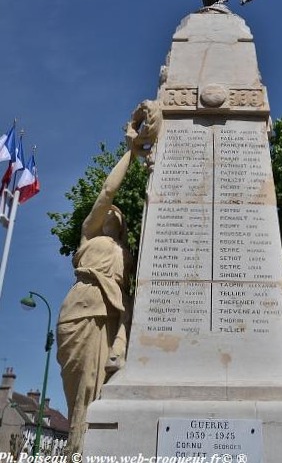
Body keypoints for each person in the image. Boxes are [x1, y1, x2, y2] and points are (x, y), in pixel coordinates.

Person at [57, 144, 137, 455]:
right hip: (79, 304)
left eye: (117, 215)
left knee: (96, 385)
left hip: (109, 310)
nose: (111, 214)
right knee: (76, 380)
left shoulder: (125, 254)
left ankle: (84, 448)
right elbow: (107, 191)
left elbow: (127, 290)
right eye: (108, 212)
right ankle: (76, 447)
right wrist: (131, 151)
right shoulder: (89, 236)